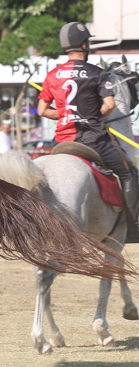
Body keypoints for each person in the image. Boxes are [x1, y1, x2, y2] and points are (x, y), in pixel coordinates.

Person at [37, 21, 139, 236]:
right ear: (84, 45)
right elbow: (110, 106)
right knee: (128, 172)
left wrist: (66, 115)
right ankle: (133, 226)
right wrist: (90, 115)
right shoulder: (98, 73)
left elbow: (42, 110)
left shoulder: (52, 75)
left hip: (63, 141)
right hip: (93, 139)